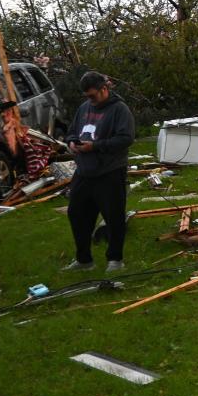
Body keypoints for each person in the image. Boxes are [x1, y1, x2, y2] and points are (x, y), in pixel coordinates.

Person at [63, 72, 134, 272]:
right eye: (87, 96)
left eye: (93, 95)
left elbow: (126, 138)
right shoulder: (84, 108)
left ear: (104, 89)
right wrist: (71, 142)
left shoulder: (120, 109)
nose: (90, 100)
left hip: (109, 171)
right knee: (76, 213)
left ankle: (115, 259)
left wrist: (94, 146)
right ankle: (84, 260)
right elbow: (71, 131)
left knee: (113, 216)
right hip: (85, 171)